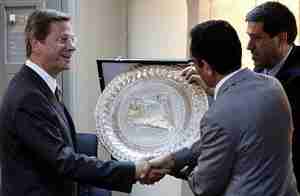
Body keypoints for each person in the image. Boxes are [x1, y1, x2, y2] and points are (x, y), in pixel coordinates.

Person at [0, 9, 154, 196]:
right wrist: (133, 170)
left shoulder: (39, 86)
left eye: (72, 39)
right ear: (36, 43)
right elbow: (64, 161)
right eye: (63, 40)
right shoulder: (28, 96)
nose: (72, 47)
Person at [145, 20, 299, 196]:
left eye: (194, 62)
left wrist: (173, 170)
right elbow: (227, 136)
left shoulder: (217, 116)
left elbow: (204, 187)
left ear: (207, 68)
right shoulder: (273, 86)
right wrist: (173, 159)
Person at [246, 1, 300, 189]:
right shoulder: (262, 66)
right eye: (249, 37)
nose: (249, 46)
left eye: (257, 38)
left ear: (282, 38)